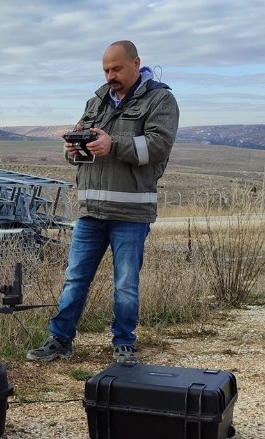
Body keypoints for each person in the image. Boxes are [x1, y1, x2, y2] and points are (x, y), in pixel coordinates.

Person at [27, 40, 179, 363]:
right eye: (106, 70)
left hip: (131, 212)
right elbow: (85, 146)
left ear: (137, 63)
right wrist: (73, 149)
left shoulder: (160, 100)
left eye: (117, 69)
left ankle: (124, 344)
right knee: (75, 278)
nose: (110, 75)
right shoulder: (97, 100)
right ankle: (60, 340)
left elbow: (157, 146)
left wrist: (113, 145)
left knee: (125, 284)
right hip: (91, 211)